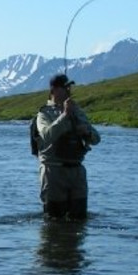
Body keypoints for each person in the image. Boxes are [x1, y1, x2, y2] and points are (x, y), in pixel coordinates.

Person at [33, 74, 100, 220]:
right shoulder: (44, 114)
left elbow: (96, 139)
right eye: (66, 87)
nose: (70, 90)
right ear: (54, 90)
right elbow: (47, 135)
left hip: (77, 171)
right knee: (54, 219)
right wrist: (64, 116)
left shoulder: (78, 112)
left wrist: (87, 132)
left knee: (80, 218)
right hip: (53, 171)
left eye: (70, 87)